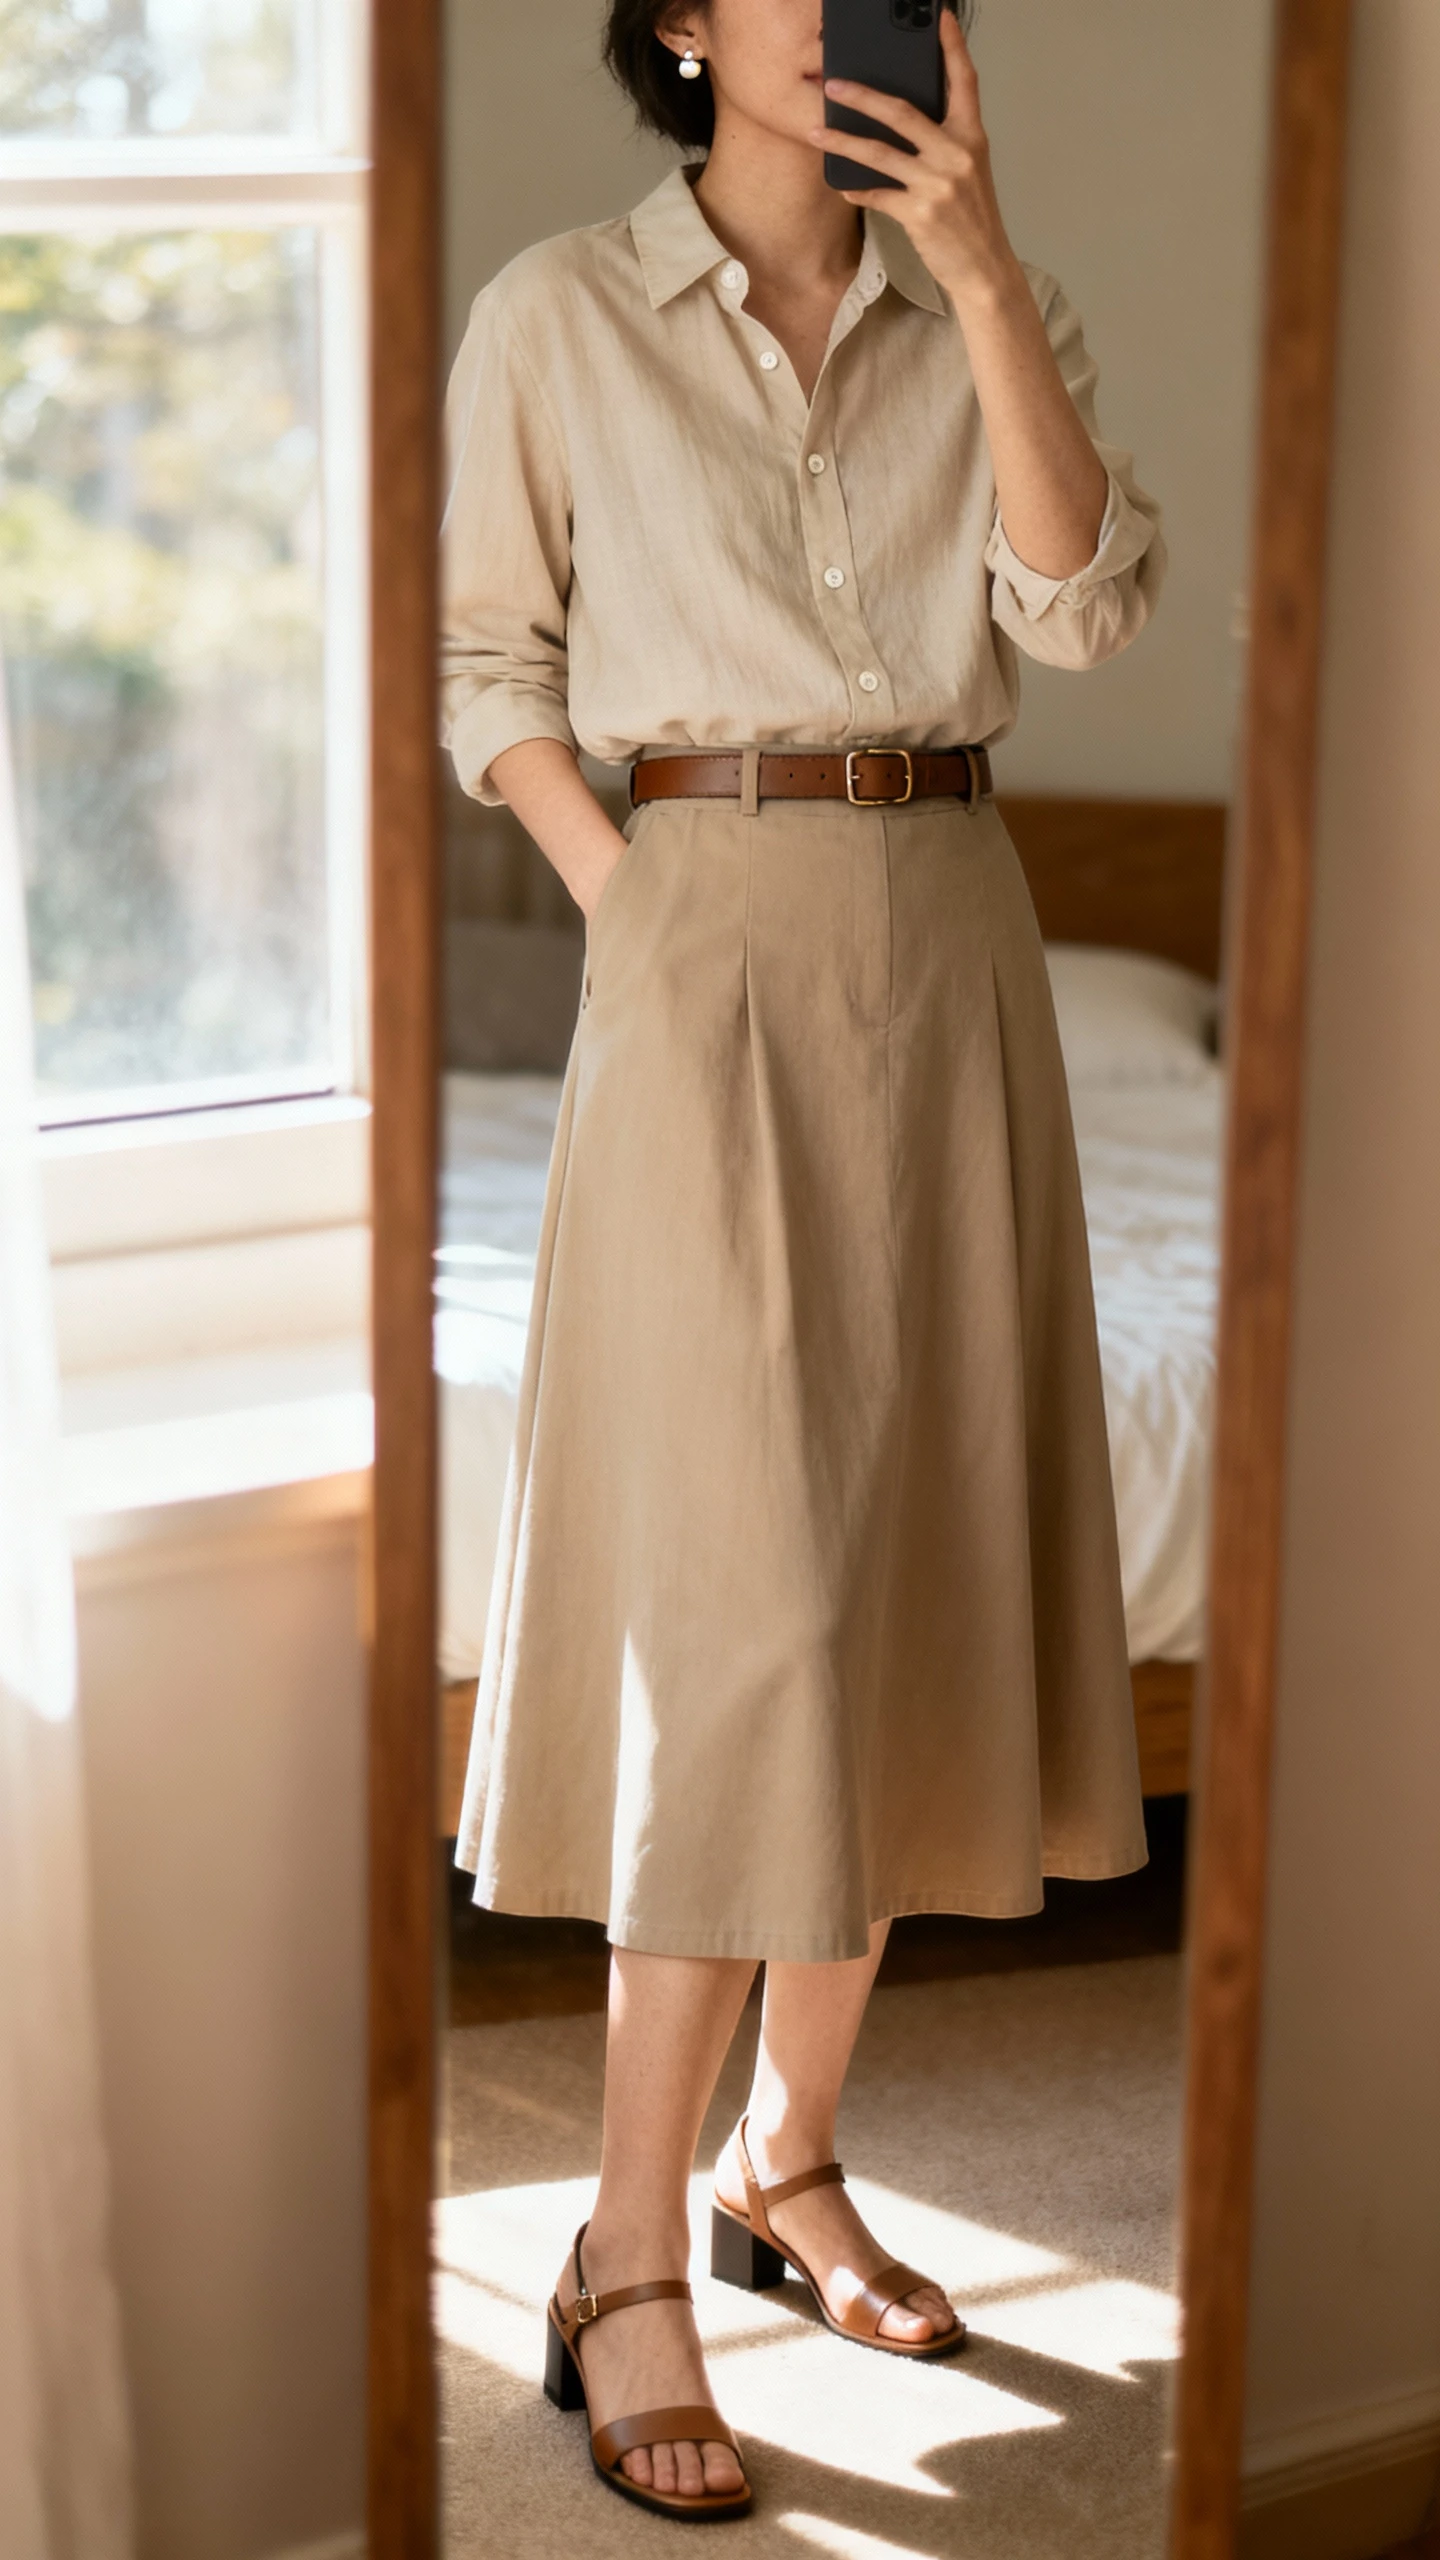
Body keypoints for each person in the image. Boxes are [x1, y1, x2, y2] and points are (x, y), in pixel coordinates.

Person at [441, 0, 1163, 2522]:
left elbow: (1082, 622)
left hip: (956, 928)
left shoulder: (1003, 301)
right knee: (738, 1610)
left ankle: (789, 2153)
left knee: (901, 1580)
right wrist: (653, 910)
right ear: (672, 27)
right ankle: (621, 2244)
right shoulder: (554, 313)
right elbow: (486, 674)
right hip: (703, 924)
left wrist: (977, 284)